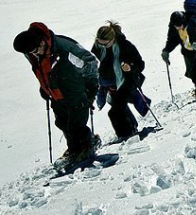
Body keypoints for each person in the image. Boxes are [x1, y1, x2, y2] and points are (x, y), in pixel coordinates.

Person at [13, 22, 99, 165]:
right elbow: (42, 70)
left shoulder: (64, 47)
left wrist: (91, 86)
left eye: (35, 50)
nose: (33, 54)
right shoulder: (31, 51)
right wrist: (45, 88)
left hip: (75, 90)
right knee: (62, 123)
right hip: (56, 94)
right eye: (30, 52)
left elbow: (89, 61)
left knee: (76, 125)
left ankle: (86, 149)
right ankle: (75, 150)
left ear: (42, 42)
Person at [91, 21, 150, 139]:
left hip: (126, 83)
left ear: (112, 39)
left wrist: (130, 66)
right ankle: (131, 129)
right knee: (118, 108)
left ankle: (127, 135)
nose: (102, 46)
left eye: (105, 44)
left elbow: (140, 64)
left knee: (115, 112)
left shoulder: (125, 46)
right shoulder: (98, 47)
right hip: (109, 84)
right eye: (99, 43)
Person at [161, 9, 196, 99]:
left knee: (195, 73)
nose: (178, 28)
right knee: (191, 74)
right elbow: (172, 39)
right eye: (176, 26)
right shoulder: (174, 25)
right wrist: (166, 51)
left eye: (180, 26)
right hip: (188, 51)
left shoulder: (194, 23)